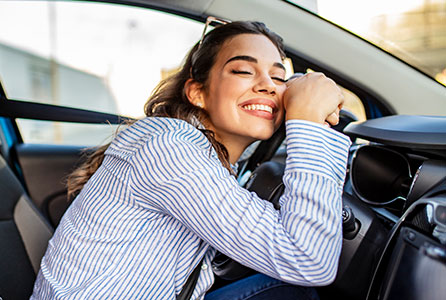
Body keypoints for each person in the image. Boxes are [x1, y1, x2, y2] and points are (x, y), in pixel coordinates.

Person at [31, 20, 351, 300]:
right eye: (242, 70)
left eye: (279, 78)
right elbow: (309, 260)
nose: (267, 85)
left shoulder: (205, 152)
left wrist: (306, 109)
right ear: (198, 93)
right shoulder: (169, 148)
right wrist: (307, 123)